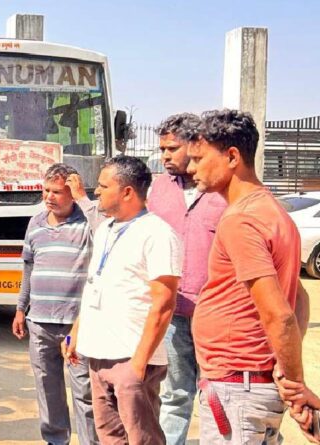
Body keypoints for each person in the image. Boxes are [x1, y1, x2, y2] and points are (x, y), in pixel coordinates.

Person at [188, 109, 309, 444]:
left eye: (198, 159)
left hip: (237, 389)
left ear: (231, 157)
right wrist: (286, 372)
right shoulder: (274, 212)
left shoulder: (241, 219)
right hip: (249, 385)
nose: (190, 168)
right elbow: (299, 297)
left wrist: (295, 384)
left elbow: (280, 315)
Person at [66, 155, 182, 445]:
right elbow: (95, 286)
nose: (96, 192)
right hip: (99, 355)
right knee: (110, 437)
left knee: (143, 439)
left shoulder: (157, 233)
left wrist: (139, 364)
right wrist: (76, 334)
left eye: (104, 186)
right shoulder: (106, 229)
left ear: (127, 191)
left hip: (131, 358)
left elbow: (164, 304)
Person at [147, 113, 228, 445]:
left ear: (196, 146)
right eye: (162, 149)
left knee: (218, 397)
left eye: (172, 148)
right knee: (175, 396)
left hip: (218, 316)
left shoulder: (223, 188)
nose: (164, 156)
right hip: (172, 313)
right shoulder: (158, 188)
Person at [11, 163, 100, 445]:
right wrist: (20, 308)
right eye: (46, 190)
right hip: (39, 322)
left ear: (72, 192)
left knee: (85, 392)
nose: (49, 197)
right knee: (47, 388)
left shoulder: (88, 222)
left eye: (58, 192)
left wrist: (84, 199)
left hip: (77, 324)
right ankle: (56, 440)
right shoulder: (35, 223)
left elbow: (107, 230)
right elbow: (28, 267)